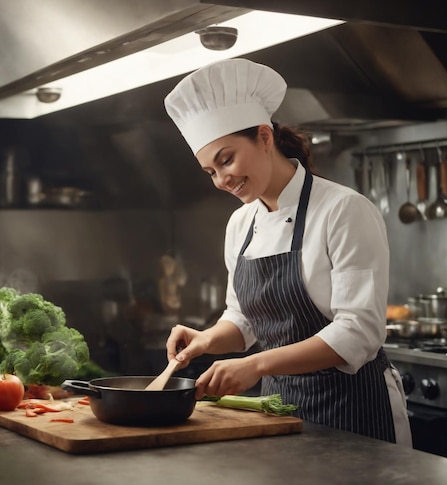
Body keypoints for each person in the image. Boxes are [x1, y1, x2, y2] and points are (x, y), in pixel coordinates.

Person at [163, 58, 411, 446]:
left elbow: (359, 331)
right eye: (210, 171)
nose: (222, 179)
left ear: (264, 137)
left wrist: (257, 364)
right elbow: (244, 317)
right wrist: (208, 340)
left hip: (355, 412)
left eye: (226, 159)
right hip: (280, 412)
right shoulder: (241, 223)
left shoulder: (343, 210)